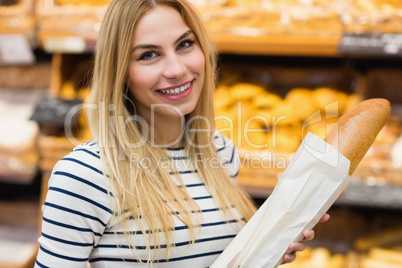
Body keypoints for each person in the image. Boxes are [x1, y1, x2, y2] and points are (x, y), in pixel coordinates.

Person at [35, 0, 329, 267]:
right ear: (120, 71)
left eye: (185, 44)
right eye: (149, 54)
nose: (176, 69)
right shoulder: (85, 174)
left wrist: (264, 253)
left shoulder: (221, 153)